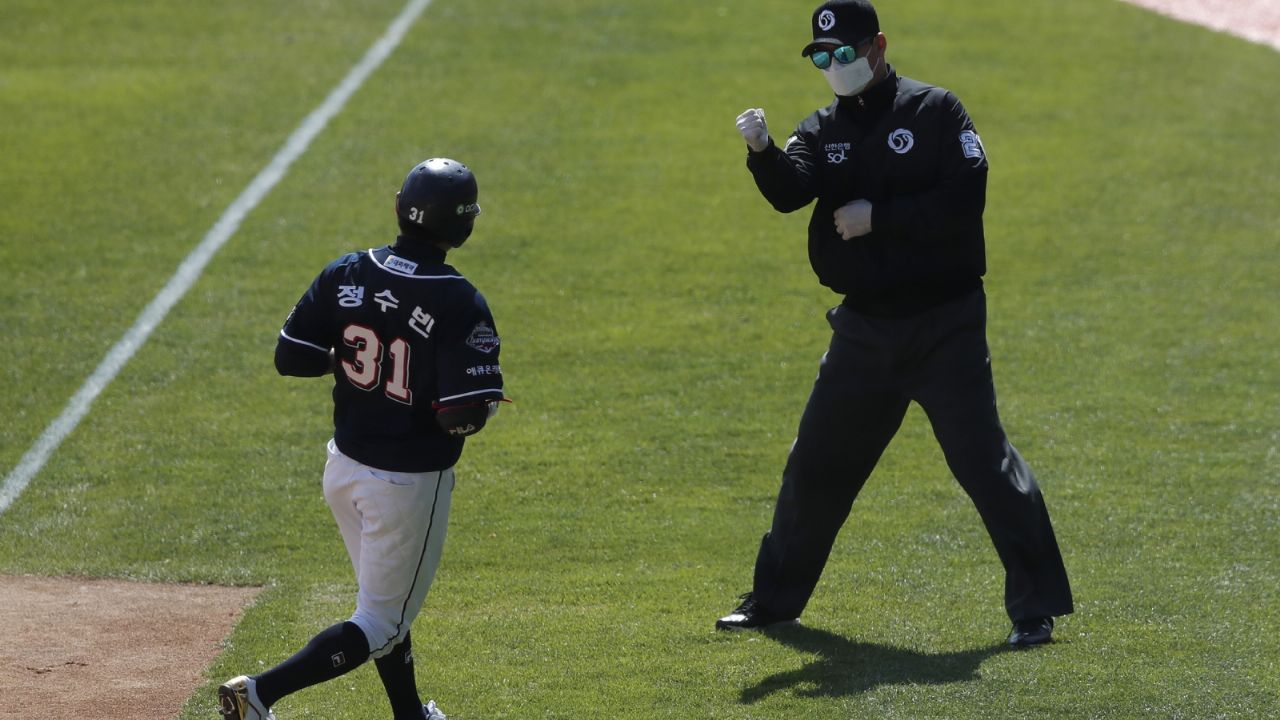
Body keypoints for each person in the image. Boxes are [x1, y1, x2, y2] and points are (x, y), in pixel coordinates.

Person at [718, 0, 1073, 647]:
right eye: (822, 57)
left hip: (945, 325)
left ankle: (1035, 609)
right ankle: (771, 602)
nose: (835, 66)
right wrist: (762, 151)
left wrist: (878, 217)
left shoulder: (935, 111)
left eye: (845, 53)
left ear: (878, 47)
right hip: (865, 331)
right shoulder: (821, 128)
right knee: (816, 465)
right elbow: (790, 191)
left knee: (985, 465)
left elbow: (966, 193)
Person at [218, 158, 506, 720]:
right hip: (406, 487)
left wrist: (347, 362)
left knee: (382, 606)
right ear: (464, 226)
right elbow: (460, 417)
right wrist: (482, 407)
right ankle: (257, 694)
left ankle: (410, 715)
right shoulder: (458, 299)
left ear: (399, 206)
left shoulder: (347, 272)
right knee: (380, 621)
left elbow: (291, 356)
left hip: (343, 469)